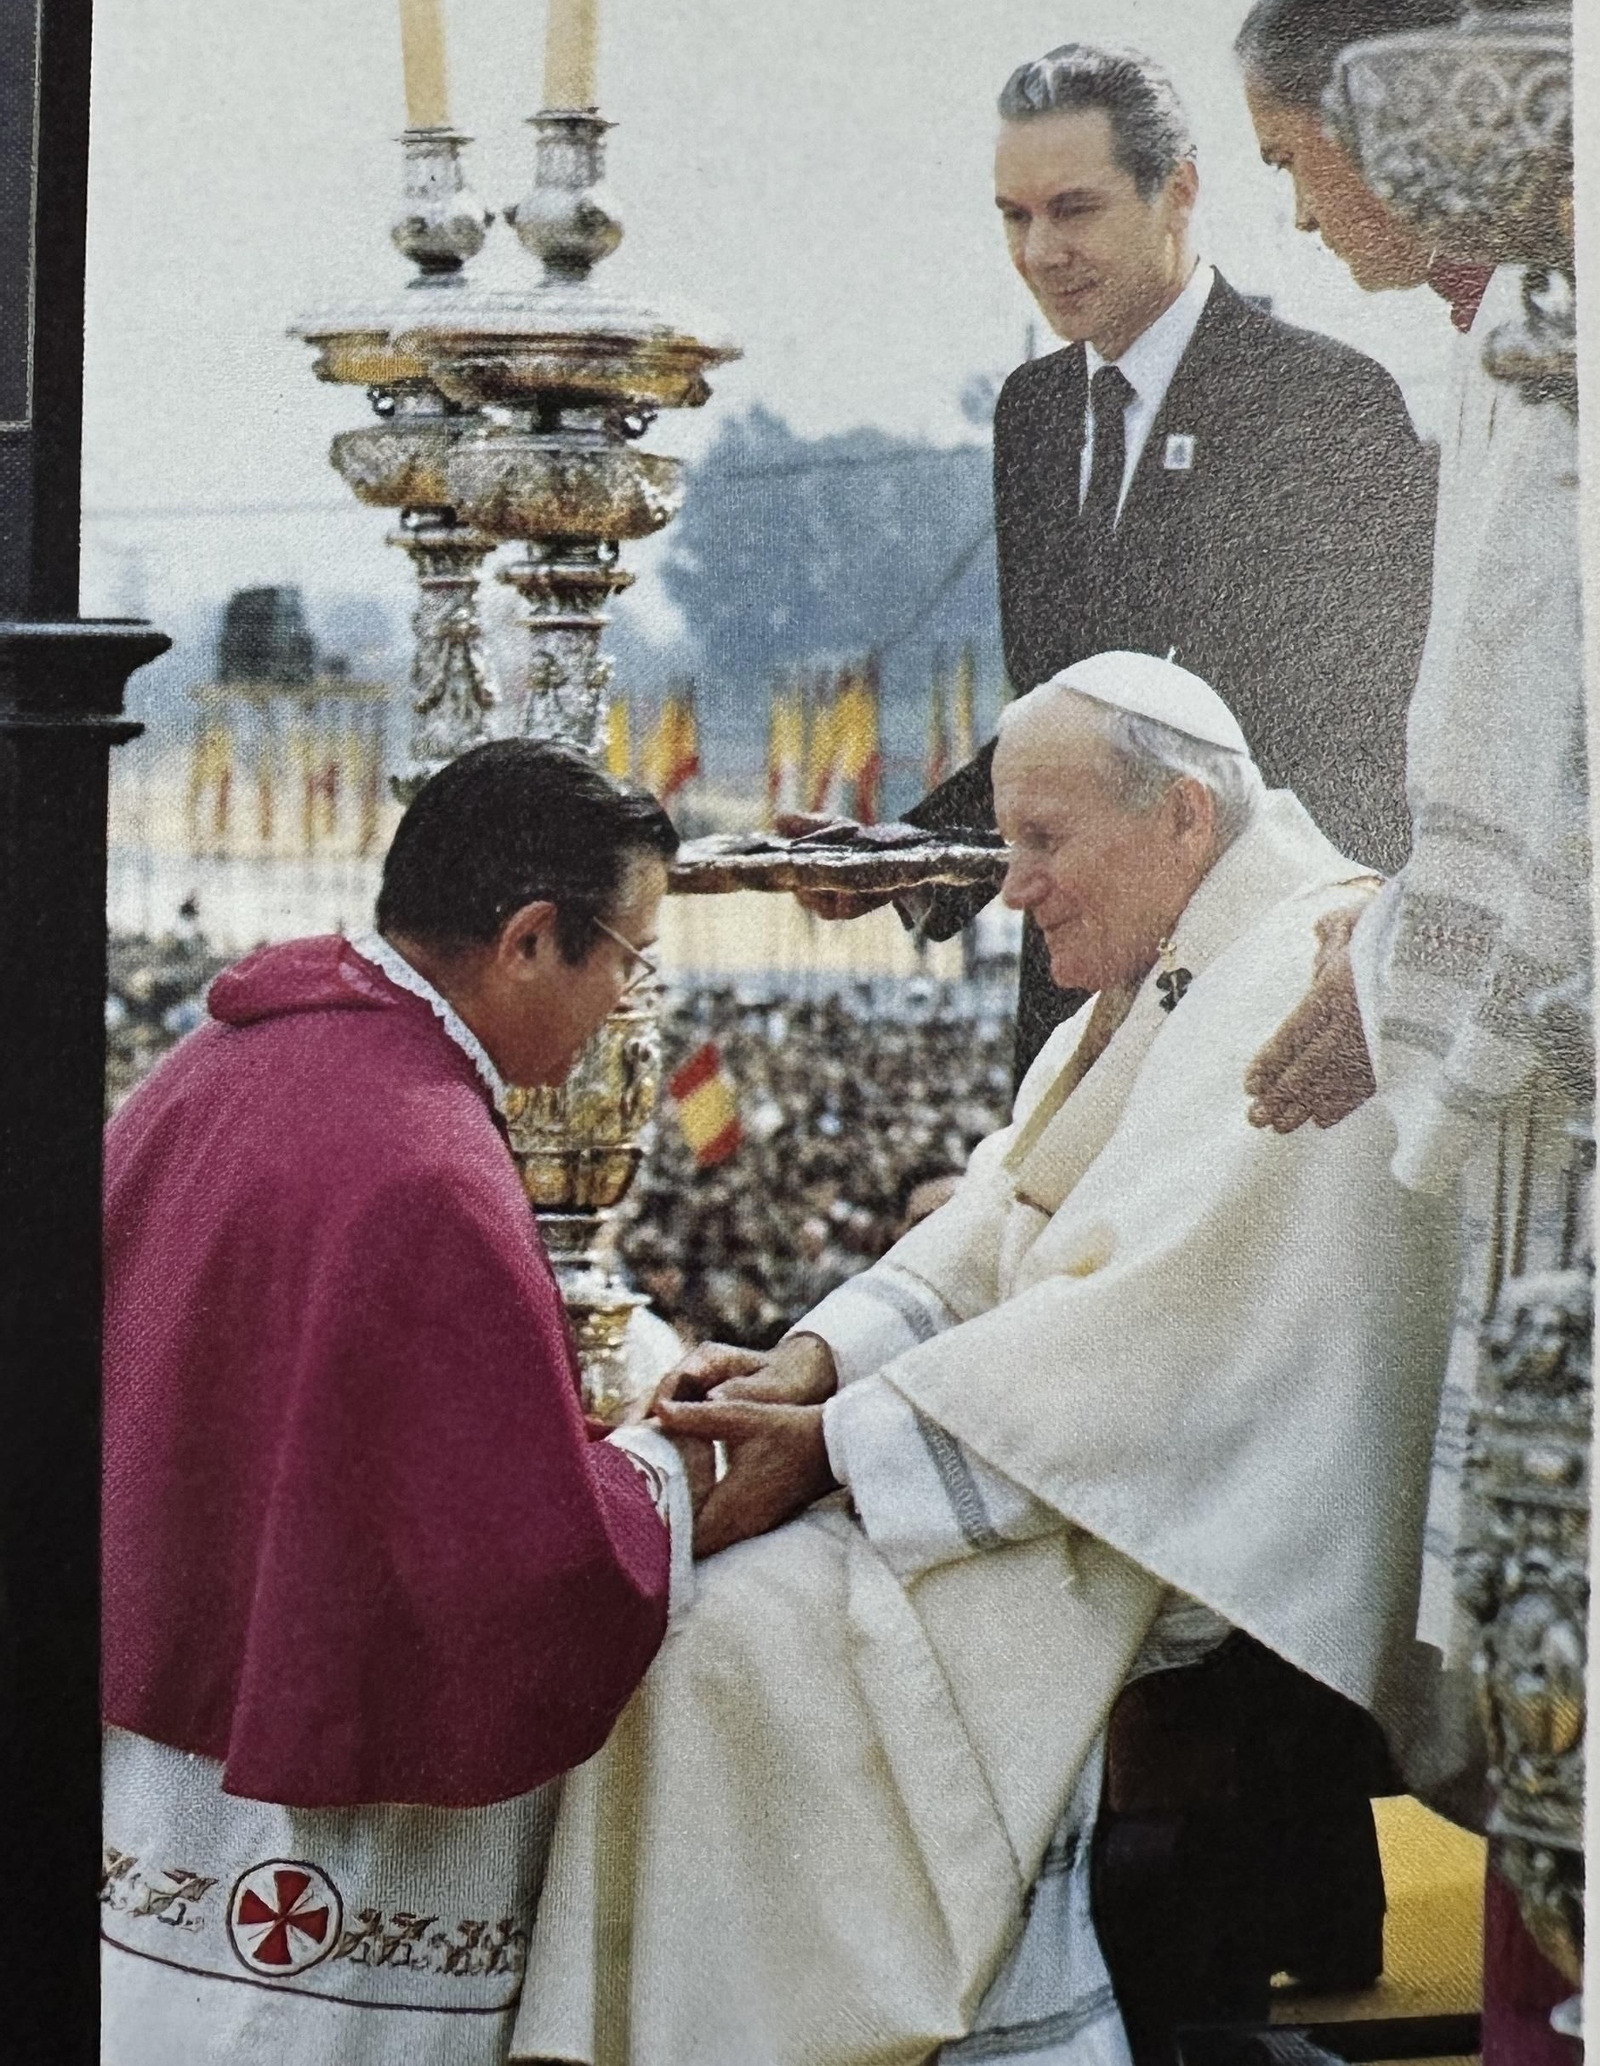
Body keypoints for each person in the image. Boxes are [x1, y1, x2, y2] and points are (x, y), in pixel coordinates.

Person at [509, 655, 1455, 2066]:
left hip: (1162, 1508)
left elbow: (1158, 1330)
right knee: (709, 1618)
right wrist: (814, 1361)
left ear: (1185, 817)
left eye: (1044, 842)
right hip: (1059, 1464)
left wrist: (842, 1448)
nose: (1013, 888)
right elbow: (1003, 1215)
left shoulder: (1301, 973)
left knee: (734, 1649)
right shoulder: (1153, 977)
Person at [100, 739, 710, 2066]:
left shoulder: (211, 1062)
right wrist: (671, 1469)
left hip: (144, 1773)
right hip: (325, 1861)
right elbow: (521, 1574)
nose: (624, 1002)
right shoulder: (424, 1165)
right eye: (627, 956)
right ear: (530, 939)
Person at [1236, 0, 1587, 2065]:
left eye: (1298, 157)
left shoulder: (1535, 344)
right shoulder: (1503, 344)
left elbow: (1543, 736)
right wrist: (1399, 929)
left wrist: (1403, 970)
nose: (1302, 212)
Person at [790, 41, 1437, 1085]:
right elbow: (1062, 717)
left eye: (1074, 209)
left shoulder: (1323, 407)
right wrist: (907, 859)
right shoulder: (1034, 415)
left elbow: (1372, 735)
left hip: (1256, 1002)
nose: (1041, 251)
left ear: (1175, 192)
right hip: (1072, 1005)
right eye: (1015, 216)